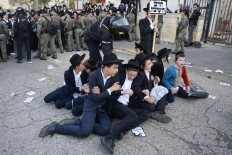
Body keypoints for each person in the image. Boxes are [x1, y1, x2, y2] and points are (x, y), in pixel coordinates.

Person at [39, 53, 123, 139]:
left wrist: (103, 92)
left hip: (103, 107)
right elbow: (95, 97)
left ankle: (78, 122)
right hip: (91, 105)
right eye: (115, 68)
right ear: (106, 67)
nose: (117, 70)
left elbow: (115, 96)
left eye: (117, 68)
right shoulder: (93, 75)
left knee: (105, 130)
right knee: (84, 132)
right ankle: (55, 127)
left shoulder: (115, 76)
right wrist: (111, 90)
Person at [100, 59, 150, 154]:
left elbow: (142, 89)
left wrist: (146, 92)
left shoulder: (137, 79)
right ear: (126, 70)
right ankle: (109, 138)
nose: (132, 77)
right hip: (115, 105)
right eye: (130, 74)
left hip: (126, 106)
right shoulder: (119, 77)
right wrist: (123, 92)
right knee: (132, 116)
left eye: (134, 75)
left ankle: (121, 128)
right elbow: (110, 93)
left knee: (146, 113)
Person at [132, 53, 171, 123]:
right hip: (138, 99)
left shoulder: (148, 73)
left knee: (162, 91)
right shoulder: (139, 75)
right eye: (149, 64)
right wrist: (146, 98)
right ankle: (158, 107)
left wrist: (155, 82)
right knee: (151, 106)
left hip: (148, 95)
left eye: (151, 63)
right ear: (142, 66)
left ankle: (159, 112)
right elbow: (136, 88)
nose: (151, 65)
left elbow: (150, 87)